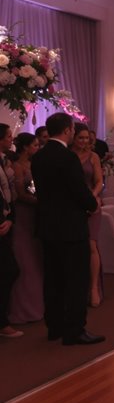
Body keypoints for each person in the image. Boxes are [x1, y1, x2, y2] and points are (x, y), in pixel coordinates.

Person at [31, 113, 102, 345]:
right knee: (75, 280)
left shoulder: (39, 157)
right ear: (67, 130)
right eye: (72, 129)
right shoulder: (68, 158)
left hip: (48, 226)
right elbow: (78, 190)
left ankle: (55, 327)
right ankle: (74, 330)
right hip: (71, 227)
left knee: (53, 279)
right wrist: (92, 204)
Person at [9, 133, 44, 324]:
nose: (38, 148)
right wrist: (41, 202)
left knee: (36, 255)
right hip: (24, 214)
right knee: (26, 258)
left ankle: (39, 303)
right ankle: (24, 308)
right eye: (35, 145)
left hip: (36, 213)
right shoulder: (18, 167)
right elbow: (21, 194)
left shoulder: (32, 165)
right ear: (25, 148)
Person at [72, 124, 104, 307]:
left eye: (86, 138)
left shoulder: (93, 157)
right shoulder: (68, 156)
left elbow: (99, 181)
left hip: (91, 205)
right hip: (73, 206)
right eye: (80, 138)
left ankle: (93, 288)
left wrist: (92, 197)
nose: (84, 141)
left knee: (91, 244)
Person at [0, 125, 21, 338]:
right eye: (7, 136)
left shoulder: (6, 160)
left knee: (9, 270)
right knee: (9, 269)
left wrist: (10, 218)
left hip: (7, 218)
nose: (11, 139)